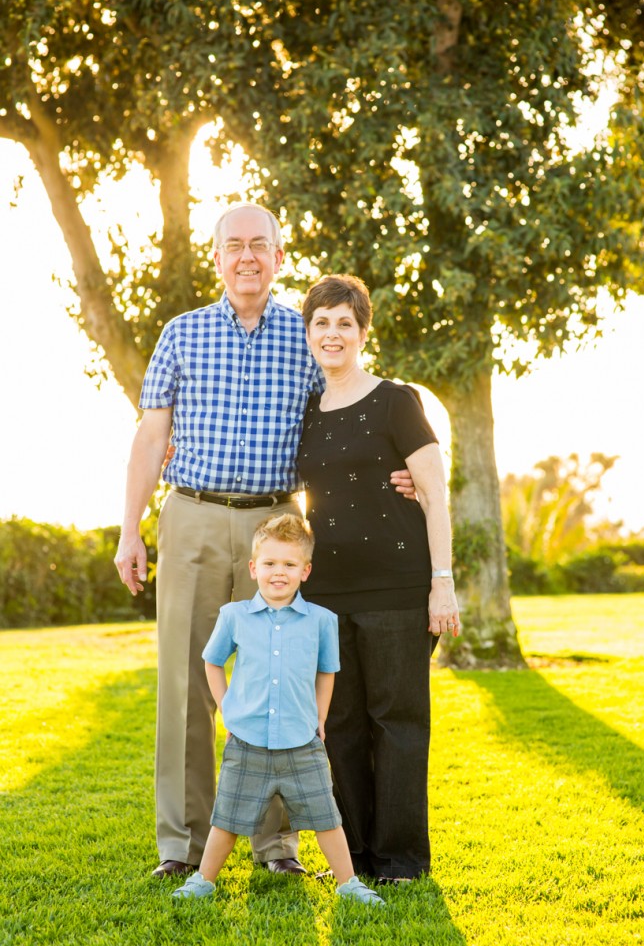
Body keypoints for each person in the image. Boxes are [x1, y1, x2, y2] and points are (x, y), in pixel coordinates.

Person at [114, 202, 414, 878]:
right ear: (215, 258)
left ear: (280, 257)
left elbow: (352, 407)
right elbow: (150, 436)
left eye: (261, 245)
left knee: (278, 683)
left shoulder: (305, 337)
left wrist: (404, 466)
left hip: (276, 526)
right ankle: (182, 846)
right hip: (189, 516)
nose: (247, 257)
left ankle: (276, 844)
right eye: (234, 246)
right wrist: (130, 529)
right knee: (188, 682)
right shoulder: (181, 334)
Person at [297, 274, 461, 884]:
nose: (332, 333)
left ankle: (402, 861)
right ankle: (356, 858)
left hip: (397, 588)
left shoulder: (396, 400)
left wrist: (440, 582)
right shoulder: (306, 411)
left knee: (397, 722)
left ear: (364, 332)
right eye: (321, 323)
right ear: (308, 333)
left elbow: (436, 496)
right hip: (327, 593)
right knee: (339, 725)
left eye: (344, 322)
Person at [171, 514, 385, 907]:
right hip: (247, 740)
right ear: (253, 568)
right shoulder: (233, 616)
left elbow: (327, 672)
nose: (278, 573)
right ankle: (203, 880)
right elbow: (212, 662)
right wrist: (227, 708)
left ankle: (348, 883)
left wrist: (319, 718)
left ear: (306, 570)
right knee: (227, 818)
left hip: (301, 741)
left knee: (327, 816)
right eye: (269, 563)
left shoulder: (322, 621)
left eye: (289, 564)